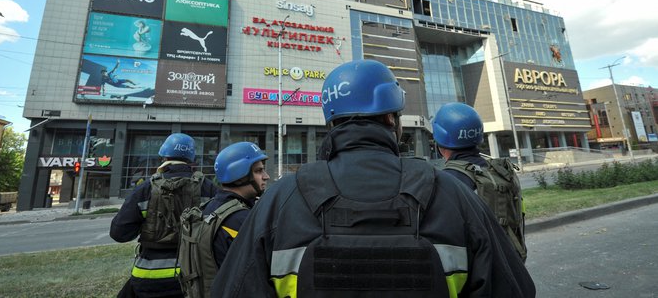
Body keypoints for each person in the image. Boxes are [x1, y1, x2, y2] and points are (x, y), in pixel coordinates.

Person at [211, 59, 535, 297]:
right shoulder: (451, 193)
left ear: (331, 120)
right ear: (392, 117)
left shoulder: (279, 200)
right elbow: (514, 289)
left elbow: (232, 290)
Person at [110, 133, 218, 298]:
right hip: (193, 276)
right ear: (191, 159)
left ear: (164, 156)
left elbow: (119, 233)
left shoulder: (146, 189)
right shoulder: (208, 188)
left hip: (148, 278)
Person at [433, 102, 528, 261]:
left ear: (439, 141)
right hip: (513, 264)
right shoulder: (501, 172)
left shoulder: (446, 181)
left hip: (480, 274)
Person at [177, 141, 269, 297]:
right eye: (259, 171)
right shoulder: (241, 219)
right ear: (239, 175)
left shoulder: (209, 208)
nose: (266, 177)